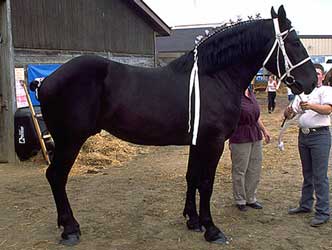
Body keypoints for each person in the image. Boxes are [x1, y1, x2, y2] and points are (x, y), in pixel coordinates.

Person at [284, 63, 332, 227]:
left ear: (323, 76)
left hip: (320, 136)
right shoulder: (303, 93)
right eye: (314, 73)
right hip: (303, 136)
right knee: (307, 173)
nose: (316, 75)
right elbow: (290, 114)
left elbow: (327, 110)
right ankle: (305, 205)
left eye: (319, 73)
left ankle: (323, 211)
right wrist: (289, 111)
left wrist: (310, 106)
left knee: (320, 176)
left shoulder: (326, 90)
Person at [230, 88, 271, 211]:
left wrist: (264, 130)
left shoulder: (251, 93)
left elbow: (256, 116)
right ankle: (240, 200)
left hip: (255, 135)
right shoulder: (235, 94)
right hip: (240, 135)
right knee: (240, 169)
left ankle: (251, 198)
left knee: (254, 168)